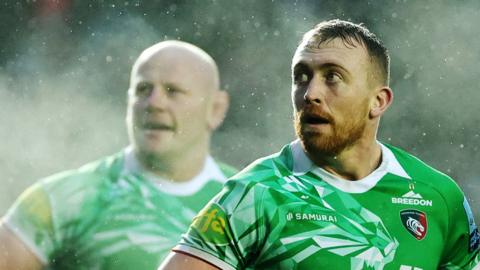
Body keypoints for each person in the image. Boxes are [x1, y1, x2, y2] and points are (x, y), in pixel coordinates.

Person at [159, 20, 480, 270]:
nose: (310, 93)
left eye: (332, 77)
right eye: (301, 76)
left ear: (378, 101)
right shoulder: (256, 193)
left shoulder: (438, 198)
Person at [0, 40, 236, 270]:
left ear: (216, 109)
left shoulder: (247, 204)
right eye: (143, 89)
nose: (154, 103)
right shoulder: (62, 200)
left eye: (172, 91)